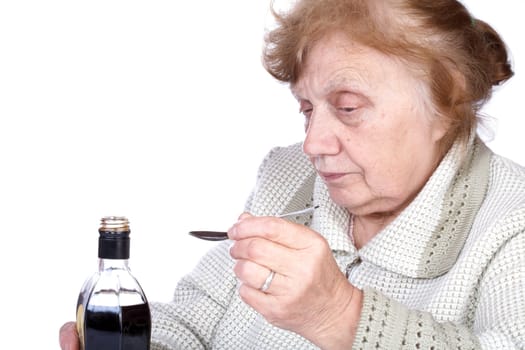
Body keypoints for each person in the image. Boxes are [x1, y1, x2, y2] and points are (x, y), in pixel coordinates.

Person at [60, 0, 525, 348]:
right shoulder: (289, 177)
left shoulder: (511, 221)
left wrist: (338, 314)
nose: (312, 144)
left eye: (347, 107)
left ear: (446, 101)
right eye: (307, 109)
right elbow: (195, 322)